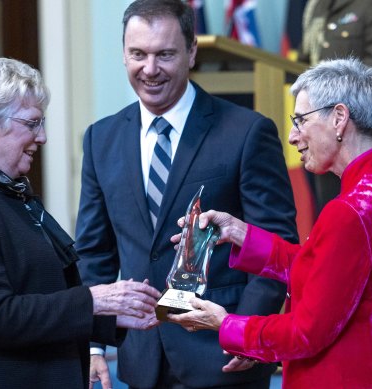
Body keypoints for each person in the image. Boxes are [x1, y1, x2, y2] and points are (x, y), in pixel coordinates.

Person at [0, 57, 162, 389]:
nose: (43, 137)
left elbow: (38, 293)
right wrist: (94, 301)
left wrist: (113, 316)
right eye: (32, 123)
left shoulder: (4, 187)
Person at [75, 0, 298, 388]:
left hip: (225, 357)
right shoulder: (101, 138)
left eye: (165, 54)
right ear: (123, 54)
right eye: (137, 54)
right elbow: (95, 251)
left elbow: (276, 243)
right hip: (141, 358)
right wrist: (93, 343)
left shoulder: (247, 132)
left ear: (191, 51)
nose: (150, 69)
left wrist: (245, 332)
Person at [168, 57, 372, 388]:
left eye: (300, 120)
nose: (292, 136)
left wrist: (225, 323)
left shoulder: (349, 211)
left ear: (339, 118)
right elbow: (326, 274)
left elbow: (306, 333)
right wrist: (240, 233)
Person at [299, 0, 372, 213]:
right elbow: (306, 59)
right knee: (333, 228)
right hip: (325, 134)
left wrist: (325, 93)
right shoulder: (319, 4)